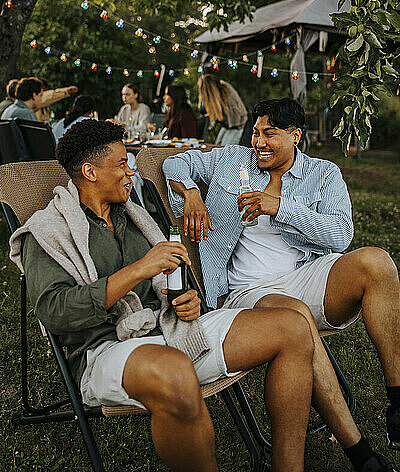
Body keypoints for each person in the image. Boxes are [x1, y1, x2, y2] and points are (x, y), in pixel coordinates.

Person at [9, 119, 316, 472]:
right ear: (90, 172)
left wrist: (185, 298)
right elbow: (54, 312)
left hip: (170, 328)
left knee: (293, 328)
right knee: (176, 373)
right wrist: (139, 269)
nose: (131, 172)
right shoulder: (46, 233)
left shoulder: (134, 216)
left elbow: (168, 282)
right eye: (122, 164)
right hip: (104, 348)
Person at [162, 98, 400, 472]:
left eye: (269, 133)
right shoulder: (232, 160)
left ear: (295, 136)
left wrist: (280, 207)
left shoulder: (323, 174)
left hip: (306, 273)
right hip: (248, 290)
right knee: (297, 315)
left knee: (377, 262)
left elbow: (340, 236)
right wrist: (191, 193)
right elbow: (174, 161)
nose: (258, 141)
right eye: (256, 132)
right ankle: (360, 453)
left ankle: (398, 399)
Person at [197, 74, 247, 146]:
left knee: (224, 150)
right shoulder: (219, 94)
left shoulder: (226, 93)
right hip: (228, 125)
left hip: (236, 126)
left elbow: (234, 118)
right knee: (217, 146)